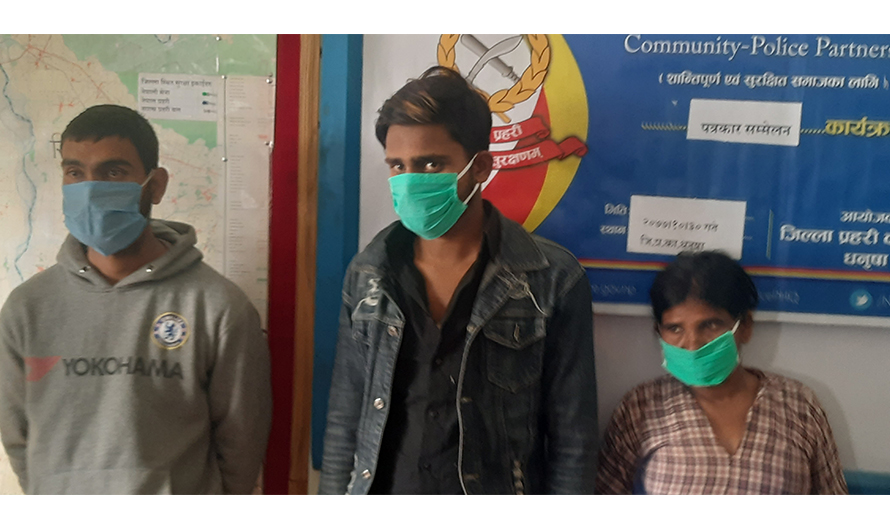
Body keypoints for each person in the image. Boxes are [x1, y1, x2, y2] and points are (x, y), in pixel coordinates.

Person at [319, 66, 597, 495]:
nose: (410, 182)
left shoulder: (551, 279)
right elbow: (345, 419)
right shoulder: (369, 274)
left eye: (431, 164)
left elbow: (573, 440)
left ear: (480, 166)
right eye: (398, 166)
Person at [0, 104, 272, 494]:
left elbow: (241, 445)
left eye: (113, 172)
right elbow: (18, 436)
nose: (90, 190)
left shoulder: (217, 307)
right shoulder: (27, 308)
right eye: (75, 173)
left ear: (155, 185)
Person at [596, 251, 848, 494]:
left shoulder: (799, 405)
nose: (693, 344)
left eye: (710, 325)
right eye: (675, 329)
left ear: (745, 326)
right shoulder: (641, 407)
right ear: (658, 332)